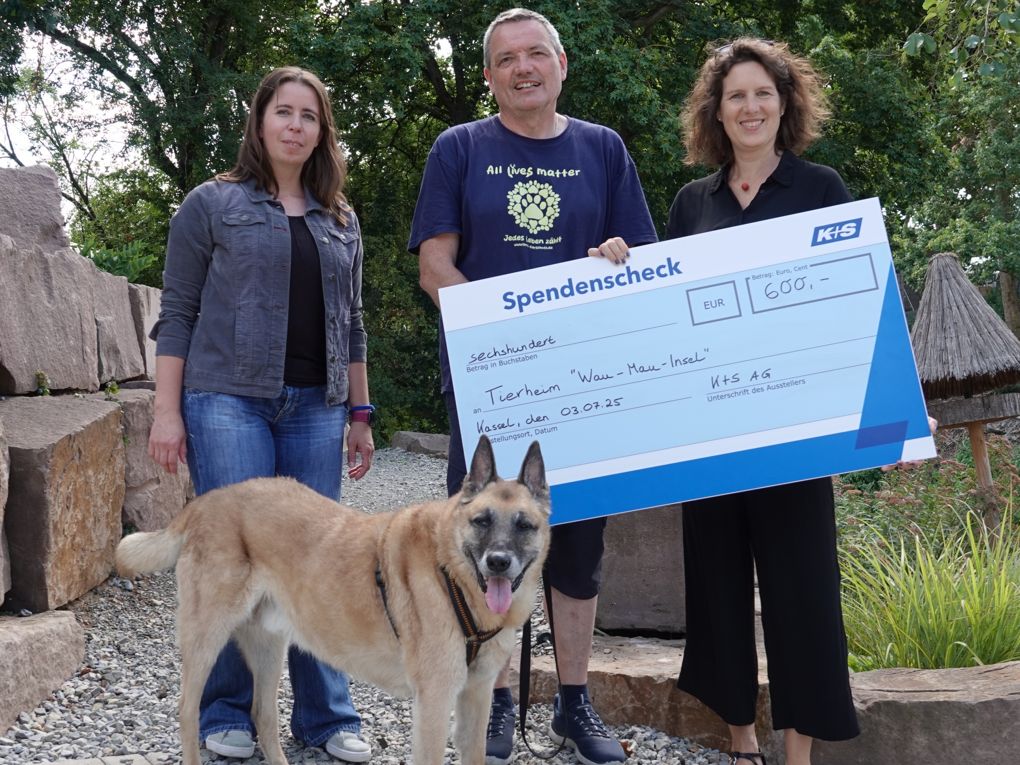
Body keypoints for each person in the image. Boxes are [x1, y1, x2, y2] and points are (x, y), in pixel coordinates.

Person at [409, 9, 658, 765]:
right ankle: (492, 701)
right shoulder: (459, 148)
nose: (523, 67)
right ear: (490, 76)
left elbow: (640, 263)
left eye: (536, 54)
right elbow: (434, 268)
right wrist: (503, 333)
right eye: (507, 59)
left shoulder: (603, 149)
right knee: (486, 537)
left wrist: (617, 255)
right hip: (491, 382)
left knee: (576, 547)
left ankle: (574, 705)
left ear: (561, 63)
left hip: (584, 383)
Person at [147, 66, 374, 763]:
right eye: (284, 112)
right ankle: (227, 711)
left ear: (322, 131)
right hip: (225, 401)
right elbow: (177, 313)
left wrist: (361, 412)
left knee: (318, 558)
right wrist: (166, 411)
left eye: (309, 116)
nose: (295, 126)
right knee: (231, 561)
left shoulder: (341, 220)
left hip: (317, 408)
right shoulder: (210, 204)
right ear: (260, 120)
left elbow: (353, 324)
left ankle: (325, 716)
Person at [665, 38, 861, 765]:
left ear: (785, 105)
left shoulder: (821, 189)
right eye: (735, 96)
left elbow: (855, 307)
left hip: (795, 435)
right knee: (716, 587)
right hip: (712, 434)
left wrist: (894, 411)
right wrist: (614, 265)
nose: (749, 107)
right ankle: (741, 743)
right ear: (716, 112)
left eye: (762, 94)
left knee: (801, 590)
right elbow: (664, 317)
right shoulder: (692, 203)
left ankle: (797, 752)